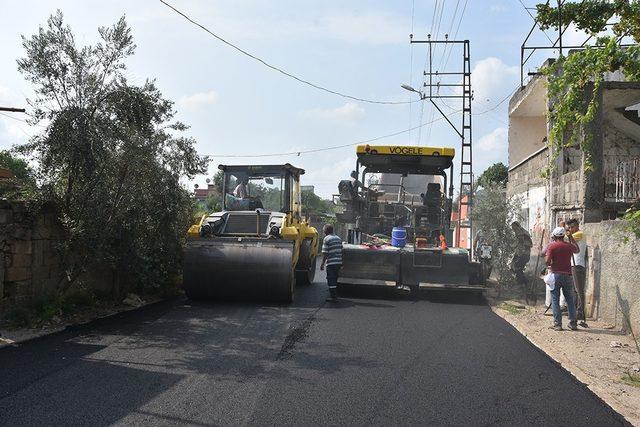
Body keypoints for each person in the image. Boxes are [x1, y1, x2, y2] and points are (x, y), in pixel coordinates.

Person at [546, 226, 580, 331]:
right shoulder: (569, 246)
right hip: (567, 275)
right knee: (570, 299)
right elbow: (577, 250)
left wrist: (550, 264)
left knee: (555, 299)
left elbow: (547, 261)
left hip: (555, 275)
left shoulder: (552, 246)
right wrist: (571, 238)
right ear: (563, 236)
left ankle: (558, 324)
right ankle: (573, 323)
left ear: (554, 236)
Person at [566, 218, 588, 327]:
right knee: (575, 290)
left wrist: (566, 234)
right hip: (574, 265)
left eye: (572, 227)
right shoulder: (575, 235)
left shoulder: (580, 234)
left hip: (577, 265)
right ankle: (575, 311)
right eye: (569, 227)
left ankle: (580, 313)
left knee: (579, 290)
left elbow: (566, 240)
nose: (571, 229)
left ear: (577, 226)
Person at [320, 224, 343, 302]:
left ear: (326, 230)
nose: (323, 231)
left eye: (324, 230)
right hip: (339, 262)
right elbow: (341, 250)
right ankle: (335, 294)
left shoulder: (326, 239)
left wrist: (322, 264)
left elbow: (325, 253)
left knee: (331, 279)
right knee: (335, 278)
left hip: (331, 263)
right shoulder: (338, 238)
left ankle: (333, 297)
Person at [511, 222, 533, 288]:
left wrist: (512, 247)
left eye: (513, 228)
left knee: (515, 267)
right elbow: (531, 244)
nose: (513, 230)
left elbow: (520, 243)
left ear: (516, 226)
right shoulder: (526, 232)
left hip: (522, 254)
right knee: (519, 269)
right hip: (527, 254)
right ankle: (522, 284)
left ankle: (524, 282)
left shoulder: (519, 232)